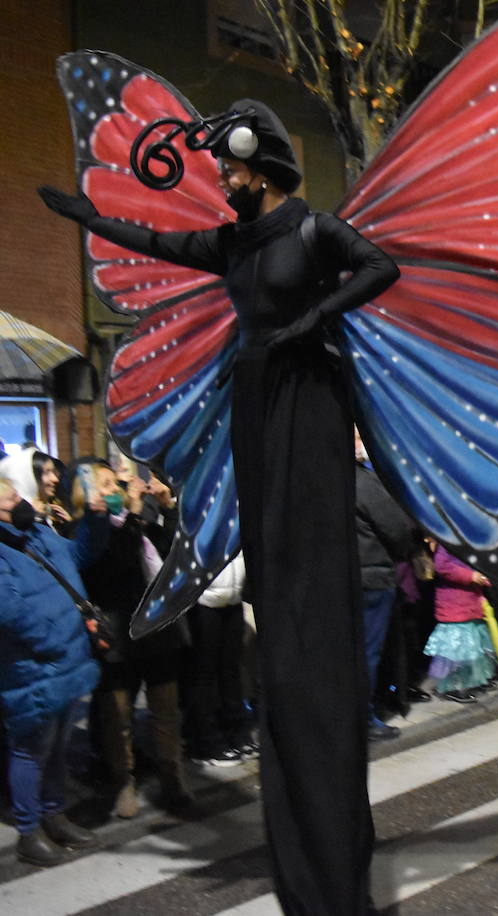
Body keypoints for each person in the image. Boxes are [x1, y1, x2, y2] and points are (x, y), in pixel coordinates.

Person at [39, 98, 399, 913]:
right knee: (275, 575)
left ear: (264, 164)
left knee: (309, 577)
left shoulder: (312, 230)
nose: (225, 179)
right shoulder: (236, 241)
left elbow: (381, 267)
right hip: (254, 395)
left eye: (233, 167)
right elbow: (163, 243)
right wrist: (94, 219)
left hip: (308, 393)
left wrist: (315, 317)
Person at [67, 459, 190, 819]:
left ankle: (172, 775)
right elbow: (117, 564)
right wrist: (133, 515)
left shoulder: (136, 522)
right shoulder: (84, 531)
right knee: (117, 717)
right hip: (117, 634)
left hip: (155, 629)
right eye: (104, 484)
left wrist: (167, 507)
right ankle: (124, 781)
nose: (115, 488)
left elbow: (169, 550)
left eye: (114, 482)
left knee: (166, 708)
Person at [0, 475, 107, 866]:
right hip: (33, 668)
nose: (21, 501)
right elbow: (10, 612)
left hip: (65, 660)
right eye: (10, 498)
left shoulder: (39, 534)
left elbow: (78, 556)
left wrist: (95, 521)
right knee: (31, 751)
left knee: (59, 746)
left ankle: (55, 815)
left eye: (16, 493)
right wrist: (52, 640)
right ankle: (29, 834)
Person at [354, 431, 417, 741]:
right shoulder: (363, 483)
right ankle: (363, 718)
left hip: (338, 581)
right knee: (368, 652)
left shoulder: (317, 481)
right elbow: (396, 527)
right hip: (372, 577)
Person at [185, 553, 254, 768]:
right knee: (204, 673)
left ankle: (235, 733)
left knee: (230, 669)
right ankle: (206, 743)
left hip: (232, 597)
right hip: (203, 600)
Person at [423, 543, 497, 703]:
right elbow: (442, 566)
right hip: (454, 603)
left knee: (473, 647)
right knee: (457, 650)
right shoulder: (446, 542)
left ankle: (473, 681)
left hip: (470, 601)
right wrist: (471, 576)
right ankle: (454, 687)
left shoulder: (463, 541)